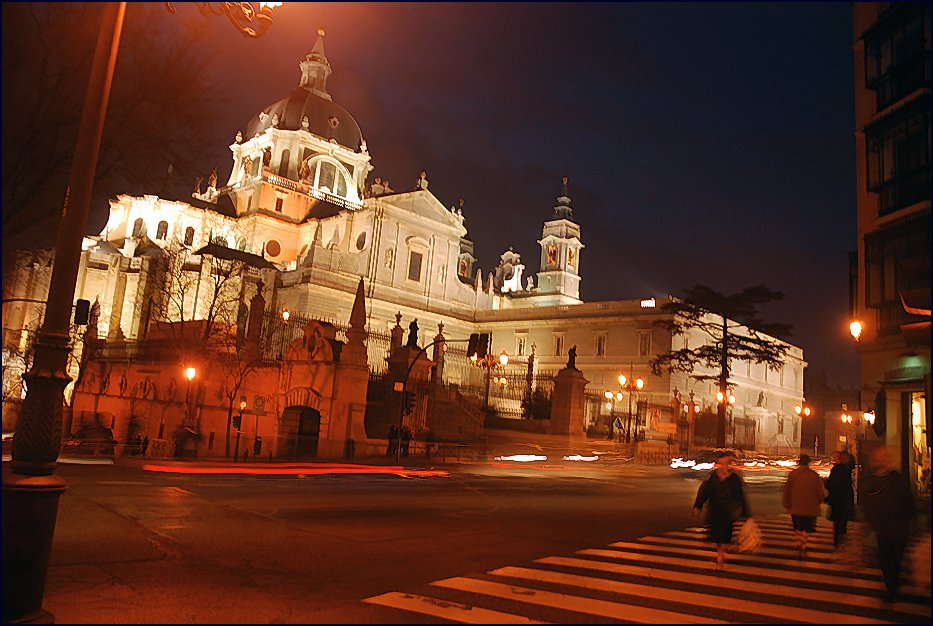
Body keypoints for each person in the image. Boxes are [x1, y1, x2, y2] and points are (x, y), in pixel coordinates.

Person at [860, 445, 914, 603]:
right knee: (885, 560)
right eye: (877, 459)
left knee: (894, 560)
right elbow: (866, 503)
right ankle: (891, 587)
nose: (878, 462)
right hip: (881, 529)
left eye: (882, 458)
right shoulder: (869, 480)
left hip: (897, 529)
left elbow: (907, 502)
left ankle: (893, 587)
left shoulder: (897, 479)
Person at [693, 451, 750, 569]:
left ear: (729, 464)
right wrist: (698, 506)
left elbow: (740, 496)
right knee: (716, 535)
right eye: (721, 463)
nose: (723, 466)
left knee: (726, 535)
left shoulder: (734, 478)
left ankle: (722, 550)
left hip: (728, 511)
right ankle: (720, 555)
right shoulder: (713, 476)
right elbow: (705, 491)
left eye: (726, 463)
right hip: (715, 510)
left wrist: (747, 515)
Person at [782, 453, 825, 557]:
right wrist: (819, 500)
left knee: (798, 526)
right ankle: (803, 543)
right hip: (810, 506)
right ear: (808, 463)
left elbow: (787, 490)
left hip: (796, 505)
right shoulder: (814, 475)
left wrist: (787, 503)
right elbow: (820, 491)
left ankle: (799, 543)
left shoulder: (793, 474)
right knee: (807, 527)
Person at [824, 450, 855, 547]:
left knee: (837, 521)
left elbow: (831, 484)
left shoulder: (837, 469)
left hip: (837, 500)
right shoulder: (847, 469)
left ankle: (838, 540)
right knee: (843, 521)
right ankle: (842, 538)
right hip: (845, 499)